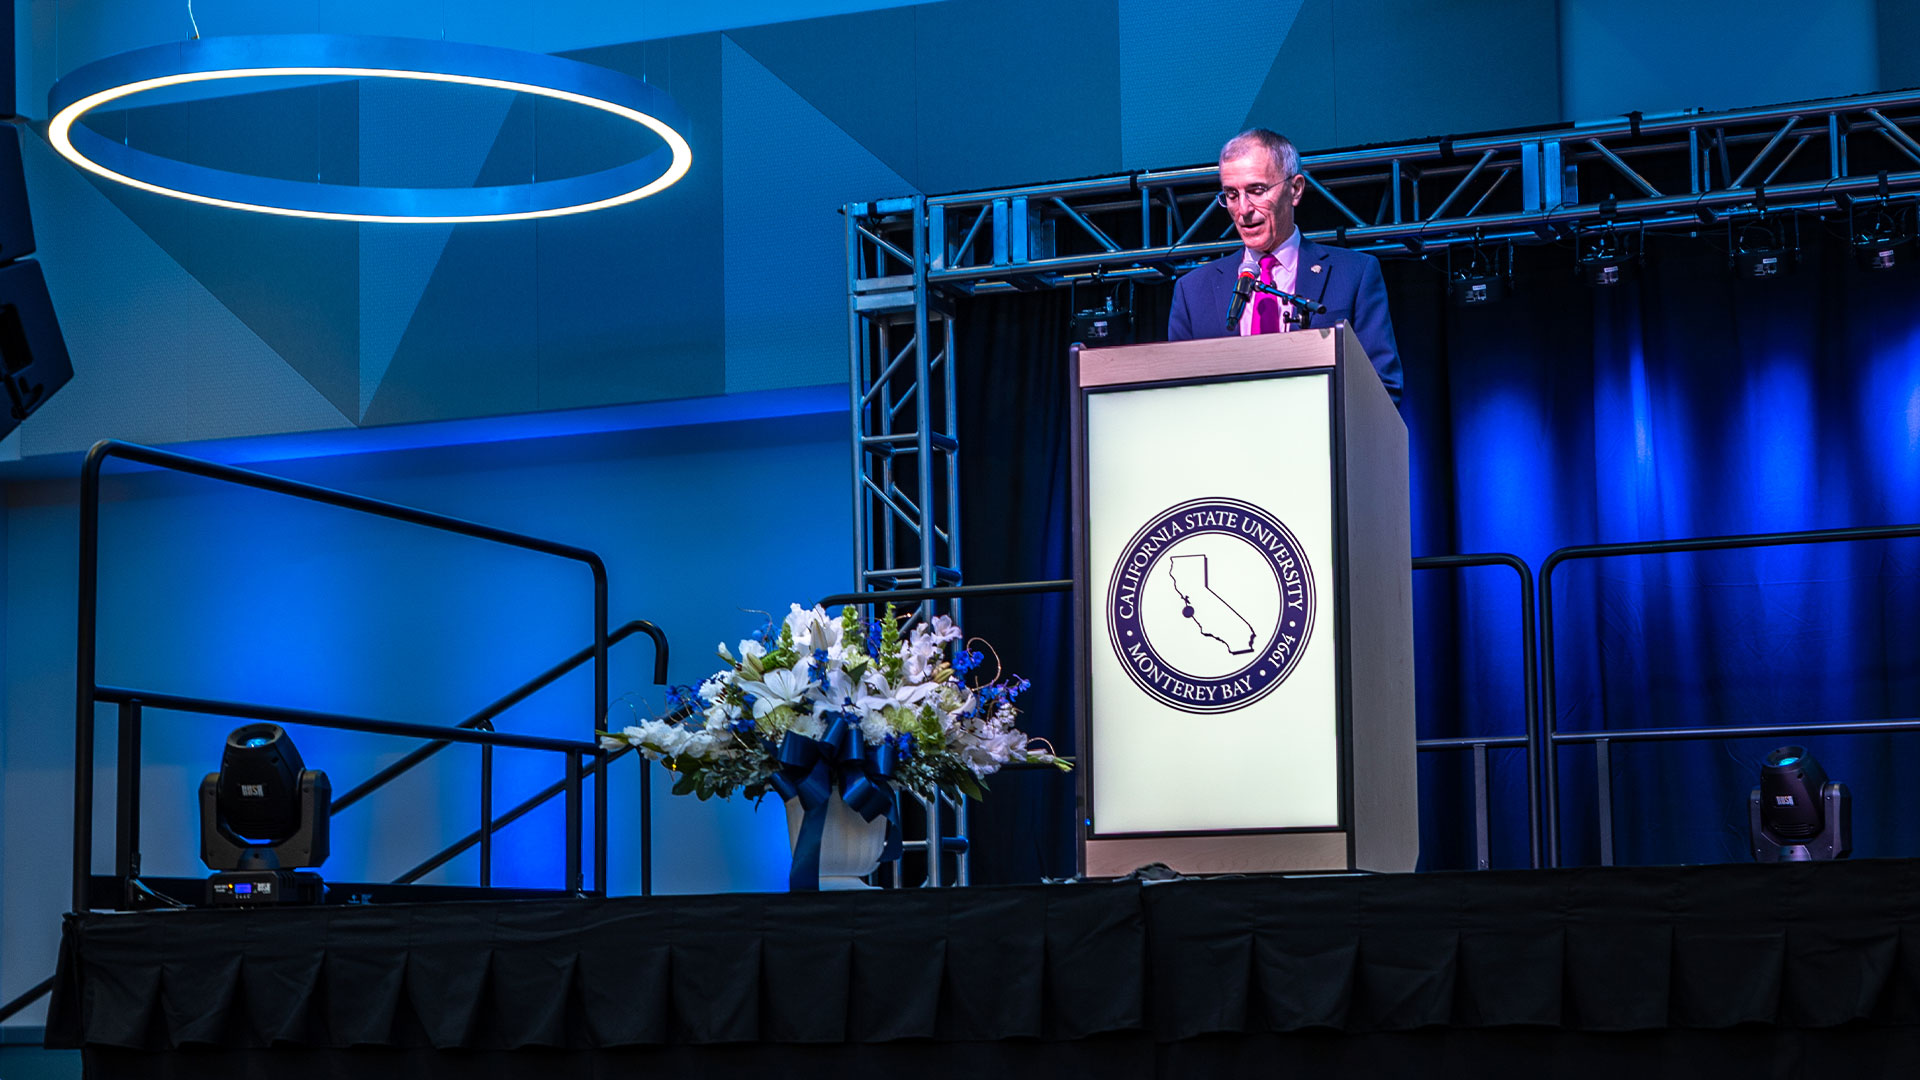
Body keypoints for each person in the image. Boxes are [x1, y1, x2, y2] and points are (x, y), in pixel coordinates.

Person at [1167, 128, 1404, 406]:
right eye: (1231, 195)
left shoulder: (1354, 274)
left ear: (1295, 190)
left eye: (1256, 190)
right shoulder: (1193, 291)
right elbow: (1178, 399)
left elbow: (1384, 389)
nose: (1243, 209)